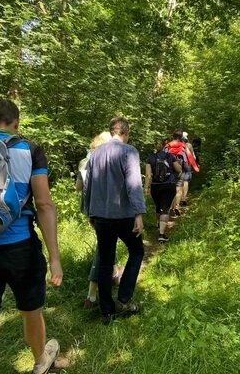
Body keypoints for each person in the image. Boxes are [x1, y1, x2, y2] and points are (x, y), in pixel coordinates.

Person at [0, 99, 63, 374]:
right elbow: (43, 204)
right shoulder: (29, 150)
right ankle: (41, 360)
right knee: (31, 311)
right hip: (21, 249)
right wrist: (55, 259)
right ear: (16, 124)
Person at [84, 117, 145, 324]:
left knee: (105, 260)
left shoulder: (95, 153)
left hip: (101, 216)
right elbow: (134, 184)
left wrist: (89, 212)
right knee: (137, 251)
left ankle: (107, 312)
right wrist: (139, 214)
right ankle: (124, 298)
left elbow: (88, 185)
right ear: (125, 133)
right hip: (124, 215)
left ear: (111, 132)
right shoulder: (129, 151)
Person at [75, 132, 122, 309]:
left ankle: (115, 273)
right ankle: (92, 295)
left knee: (107, 243)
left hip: (89, 209)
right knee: (102, 248)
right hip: (106, 210)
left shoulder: (85, 160)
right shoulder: (108, 159)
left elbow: (78, 187)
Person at [145, 140, 182, 242]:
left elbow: (148, 175)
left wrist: (146, 188)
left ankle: (159, 225)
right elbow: (179, 170)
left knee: (158, 207)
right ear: (164, 145)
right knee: (165, 209)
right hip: (169, 185)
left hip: (155, 186)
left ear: (155, 146)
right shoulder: (170, 156)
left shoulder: (150, 158)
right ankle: (161, 234)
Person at [165, 130, 199, 217]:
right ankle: (176, 206)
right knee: (178, 189)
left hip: (169, 169)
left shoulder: (168, 145)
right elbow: (190, 158)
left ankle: (170, 207)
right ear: (181, 138)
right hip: (180, 169)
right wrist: (195, 167)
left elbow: (162, 156)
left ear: (173, 136)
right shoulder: (184, 146)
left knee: (170, 189)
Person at [180, 132, 197, 207]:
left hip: (178, 164)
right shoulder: (189, 145)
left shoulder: (177, 145)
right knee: (186, 180)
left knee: (179, 180)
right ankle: (184, 198)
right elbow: (194, 157)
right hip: (187, 164)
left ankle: (178, 197)